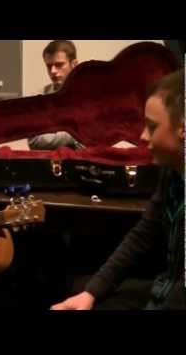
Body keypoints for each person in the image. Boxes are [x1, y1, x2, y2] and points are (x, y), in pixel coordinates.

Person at [51, 69, 185, 310]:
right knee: (81, 289)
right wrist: (91, 293)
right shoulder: (172, 170)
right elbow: (142, 235)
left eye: (152, 127)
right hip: (166, 288)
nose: (142, 136)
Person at [28, 40, 83, 150]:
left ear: (74, 65)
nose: (53, 71)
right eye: (49, 66)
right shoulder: (38, 97)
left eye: (59, 65)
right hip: (48, 164)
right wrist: (73, 135)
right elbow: (33, 141)